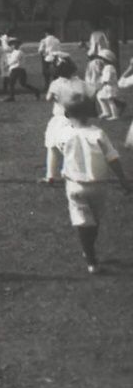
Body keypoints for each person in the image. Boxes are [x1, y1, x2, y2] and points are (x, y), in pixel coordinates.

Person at [54, 96, 130, 274]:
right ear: (89, 113)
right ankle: (90, 255)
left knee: (84, 221)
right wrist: (123, 181)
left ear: (66, 114)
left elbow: (61, 150)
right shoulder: (98, 133)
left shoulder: (64, 134)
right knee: (93, 221)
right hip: (98, 184)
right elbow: (113, 158)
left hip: (74, 184)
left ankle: (89, 255)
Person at [41, 55, 86, 185]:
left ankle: (51, 175)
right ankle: (68, 173)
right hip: (75, 118)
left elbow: (48, 98)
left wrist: (57, 98)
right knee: (70, 147)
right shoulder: (80, 83)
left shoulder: (56, 84)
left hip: (59, 119)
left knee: (53, 147)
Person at [94, 48, 121, 121]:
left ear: (106, 60)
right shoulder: (106, 67)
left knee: (110, 100)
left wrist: (101, 84)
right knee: (100, 97)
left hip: (110, 86)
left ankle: (115, 115)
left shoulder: (109, 67)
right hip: (106, 86)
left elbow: (107, 78)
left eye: (102, 59)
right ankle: (106, 112)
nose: (101, 61)